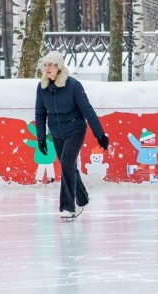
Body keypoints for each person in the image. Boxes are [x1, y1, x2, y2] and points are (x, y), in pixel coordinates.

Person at [34, 51, 109, 219]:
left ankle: (68, 207)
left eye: (51, 65)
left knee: (67, 164)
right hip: (56, 132)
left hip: (75, 130)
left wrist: (100, 134)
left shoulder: (73, 85)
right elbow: (40, 114)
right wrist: (41, 138)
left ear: (59, 67)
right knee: (69, 167)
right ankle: (82, 199)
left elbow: (87, 110)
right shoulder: (42, 87)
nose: (47, 68)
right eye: (45, 65)